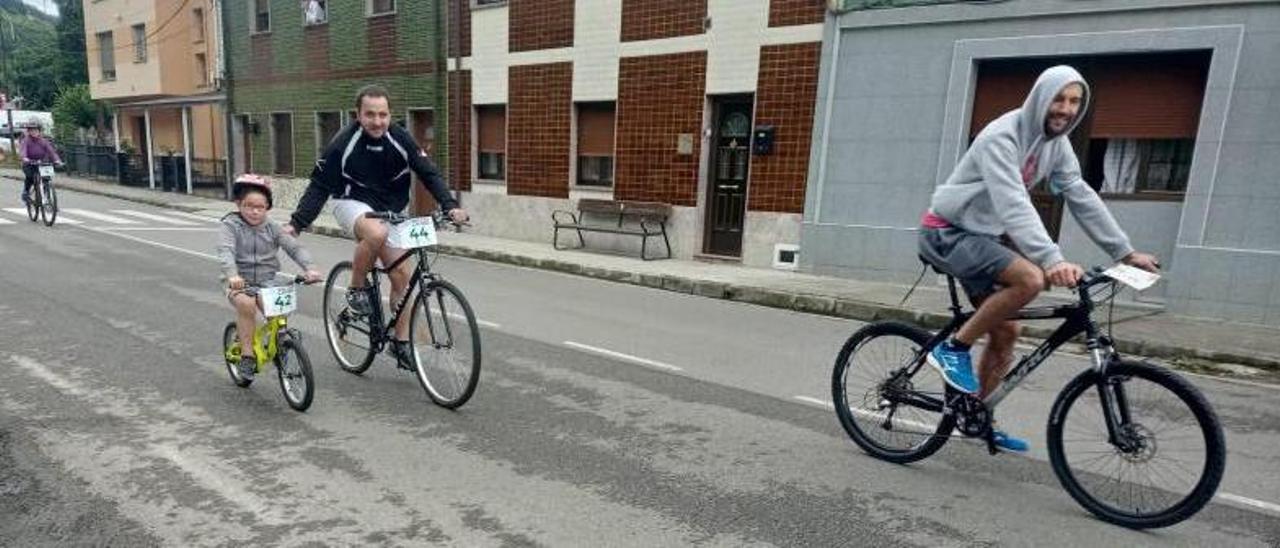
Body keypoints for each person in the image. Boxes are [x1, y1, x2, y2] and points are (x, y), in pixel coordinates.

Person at [917, 65, 1160, 452]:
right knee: (1030, 279)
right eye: (1059, 99)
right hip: (947, 231)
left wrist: (1124, 252)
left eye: (1074, 101)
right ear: (1040, 98)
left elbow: (1079, 194)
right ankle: (953, 349)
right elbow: (1013, 203)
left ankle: (976, 417)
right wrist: (1051, 259)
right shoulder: (1001, 136)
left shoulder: (1056, 144)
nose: (1065, 109)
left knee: (1007, 331)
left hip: (983, 236)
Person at [284, 84, 468, 368]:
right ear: (358, 114)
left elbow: (428, 173)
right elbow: (320, 185)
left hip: (391, 208)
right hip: (351, 202)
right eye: (370, 114)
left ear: (390, 114)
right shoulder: (343, 143)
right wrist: (297, 223)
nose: (377, 121)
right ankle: (357, 290)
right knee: (376, 232)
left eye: (383, 114)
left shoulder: (400, 138)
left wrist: (450, 205)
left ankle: (401, 342)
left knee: (402, 279)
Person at [217, 174, 321, 381]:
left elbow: (294, 248)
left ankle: (280, 341)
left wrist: (310, 268)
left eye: (261, 207)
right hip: (239, 280)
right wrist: (233, 275)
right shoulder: (230, 225)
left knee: (277, 311)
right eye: (249, 206)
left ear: (268, 208)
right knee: (247, 305)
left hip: (267, 280)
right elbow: (225, 251)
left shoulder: (273, 227)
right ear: (238, 204)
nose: (255, 211)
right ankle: (247, 355)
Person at [18, 123, 62, 204]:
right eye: (31, 131)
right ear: (29, 132)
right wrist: (24, 158)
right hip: (29, 163)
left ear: (39, 131)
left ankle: (48, 199)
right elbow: (23, 150)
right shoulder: (26, 141)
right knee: (30, 177)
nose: (34, 132)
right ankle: (26, 193)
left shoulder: (43, 141)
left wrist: (57, 160)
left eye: (36, 130)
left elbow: (51, 152)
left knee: (46, 179)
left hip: (41, 163)